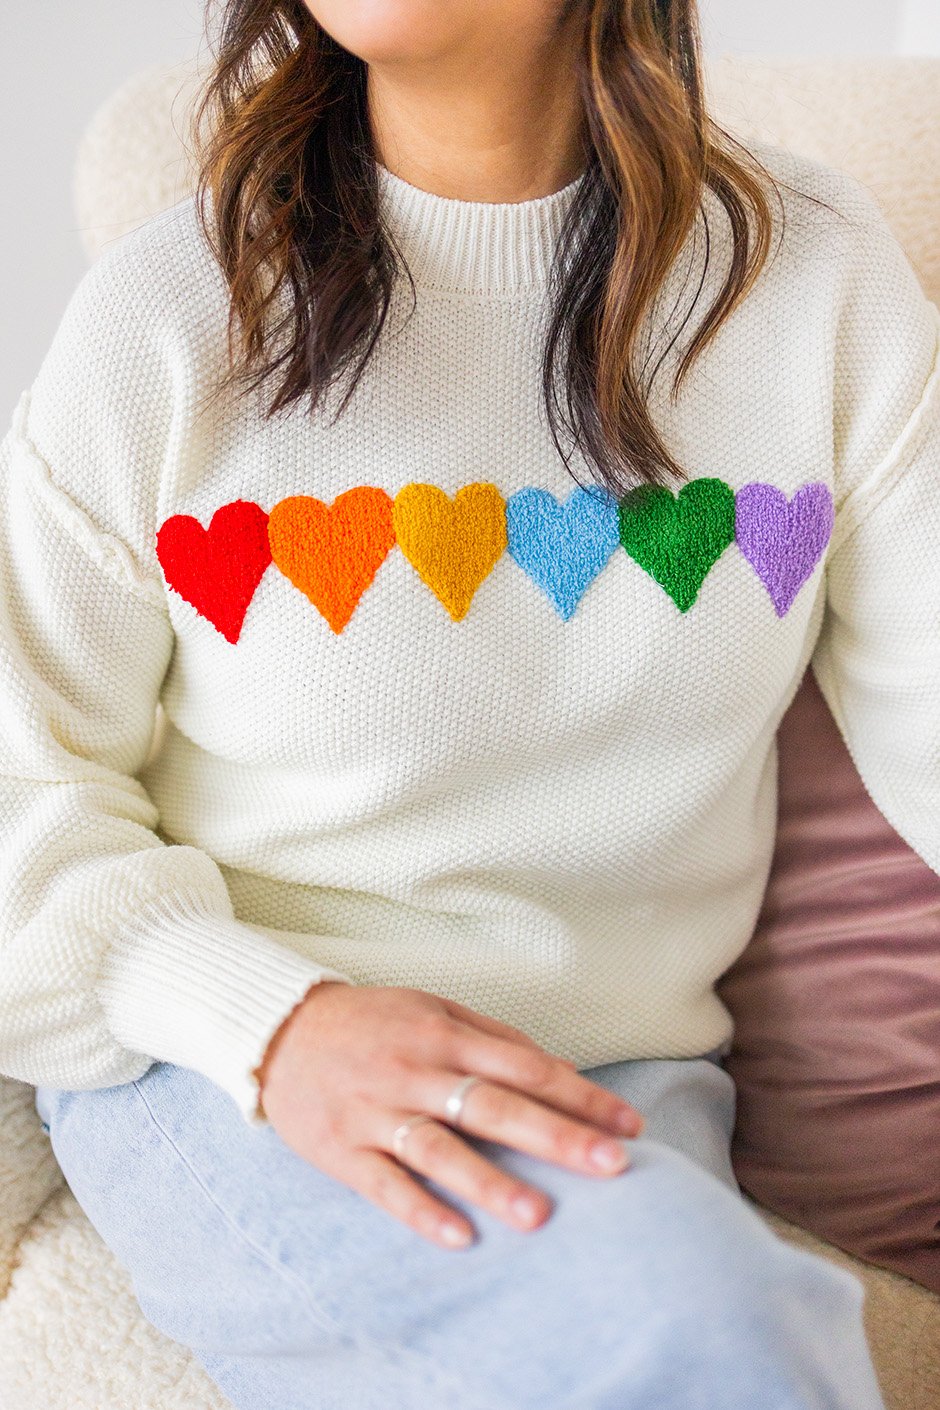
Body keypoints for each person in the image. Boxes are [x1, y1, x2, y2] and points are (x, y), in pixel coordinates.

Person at [3, 1, 937, 1406]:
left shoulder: (814, 282)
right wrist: (271, 1022)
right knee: (704, 1329)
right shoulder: (168, 320)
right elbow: (20, 786)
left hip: (622, 1082)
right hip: (230, 1073)